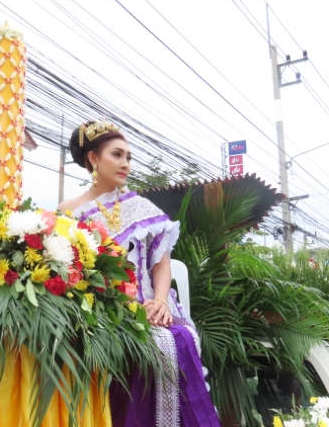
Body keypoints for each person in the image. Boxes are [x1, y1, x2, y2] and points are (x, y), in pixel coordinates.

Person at [59, 120, 220, 427]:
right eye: (117, 155)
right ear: (93, 159)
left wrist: (160, 300)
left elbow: (161, 264)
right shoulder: (69, 211)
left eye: (129, 157)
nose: (126, 164)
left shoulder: (141, 208)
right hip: (99, 310)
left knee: (176, 339)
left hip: (149, 304)